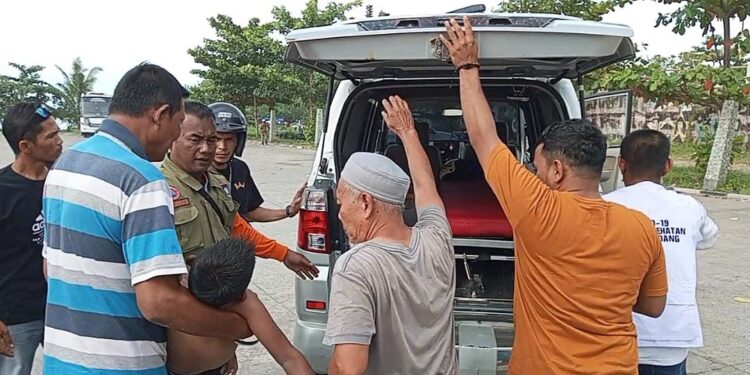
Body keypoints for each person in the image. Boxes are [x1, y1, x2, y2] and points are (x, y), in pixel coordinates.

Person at [439, 17, 668, 374]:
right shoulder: (641, 226)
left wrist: (467, 65)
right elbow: (653, 306)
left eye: (537, 166)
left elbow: (483, 138)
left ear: (558, 170)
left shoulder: (538, 208)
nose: (534, 174)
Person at [41, 63, 252, 374]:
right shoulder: (141, 179)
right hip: (124, 365)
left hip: (62, 360)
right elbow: (159, 303)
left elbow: (51, 268)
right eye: (178, 124)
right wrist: (236, 328)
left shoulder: (66, 164)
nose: (174, 137)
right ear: (159, 114)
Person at [324, 96, 457, 375]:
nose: (339, 214)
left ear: (365, 202)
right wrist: (408, 133)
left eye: (341, 203)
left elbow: (349, 368)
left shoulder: (355, 267)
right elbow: (426, 188)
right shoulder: (438, 239)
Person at [604, 130, 719, 375]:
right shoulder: (689, 206)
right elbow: (708, 238)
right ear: (667, 166)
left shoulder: (607, 205)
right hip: (673, 333)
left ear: (622, 164)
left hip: (619, 331)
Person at [161, 101, 319, 277]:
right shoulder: (157, 190)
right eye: (195, 139)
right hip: (182, 297)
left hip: (220, 289)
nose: (207, 149)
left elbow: (239, 229)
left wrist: (284, 254)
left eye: (211, 139)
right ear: (172, 139)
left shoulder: (217, 184)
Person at [167, 238, 314, 375]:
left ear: (192, 261)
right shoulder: (245, 304)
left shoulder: (171, 289)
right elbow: (289, 358)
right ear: (241, 294)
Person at [0, 103, 63, 375]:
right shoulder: (4, 190)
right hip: (15, 314)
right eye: (50, 136)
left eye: (58, 133)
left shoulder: (66, 183)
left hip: (62, 308)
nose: (60, 141)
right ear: (25, 146)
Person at [209, 102, 304, 223]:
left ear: (239, 142)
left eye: (229, 140)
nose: (222, 146)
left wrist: (288, 211)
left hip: (238, 237)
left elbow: (249, 212)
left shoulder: (239, 169)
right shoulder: (197, 172)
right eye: (216, 139)